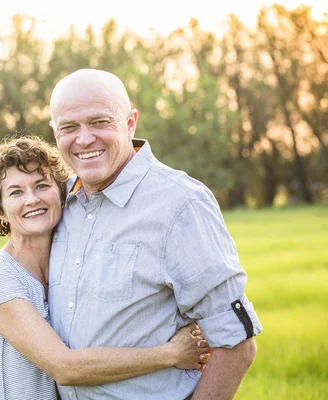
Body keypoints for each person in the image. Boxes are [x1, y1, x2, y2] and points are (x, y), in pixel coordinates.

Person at [46, 68, 263, 399]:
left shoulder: (179, 203)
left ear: (131, 122)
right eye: (69, 127)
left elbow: (237, 343)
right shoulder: (55, 205)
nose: (84, 138)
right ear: (54, 132)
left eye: (100, 122)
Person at [0, 135, 211, 399]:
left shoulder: (68, 263)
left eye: (41, 185)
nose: (32, 199)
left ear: (62, 195)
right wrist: (171, 353)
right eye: (16, 192)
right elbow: (63, 367)